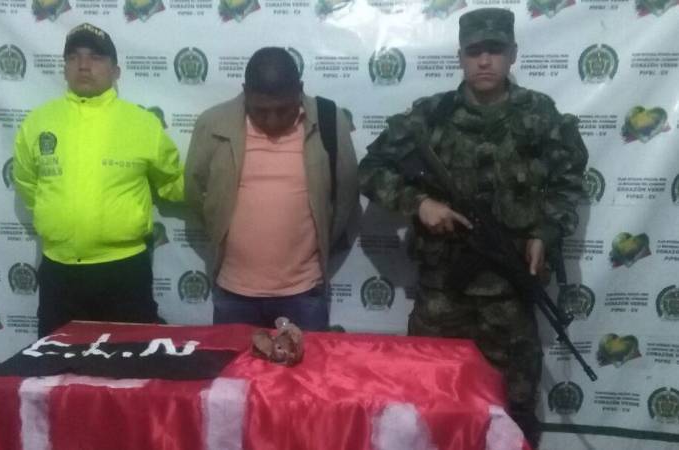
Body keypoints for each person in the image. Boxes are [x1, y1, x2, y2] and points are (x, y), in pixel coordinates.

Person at [358, 8, 588, 448]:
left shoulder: (539, 115)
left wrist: (545, 232)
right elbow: (371, 169)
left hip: (509, 293)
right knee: (426, 402)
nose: (485, 61)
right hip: (442, 293)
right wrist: (419, 203)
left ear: (513, 53)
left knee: (514, 410)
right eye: (474, 51)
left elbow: (569, 181)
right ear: (460, 56)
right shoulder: (431, 115)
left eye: (495, 50)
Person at [13, 23, 184, 337]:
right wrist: (59, 218)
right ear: (64, 68)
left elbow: (173, 181)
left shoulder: (143, 124)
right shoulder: (38, 123)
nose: (83, 65)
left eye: (95, 57)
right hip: (59, 270)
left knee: (128, 360)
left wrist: (217, 189)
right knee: (57, 364)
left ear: (116, 71)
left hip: (124, 271)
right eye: (73, 57)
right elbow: (27, 182)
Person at [185, 47, 358, 331]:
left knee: (305, 362)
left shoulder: (329, 120)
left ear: (299, 90)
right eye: (261, 111)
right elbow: (195, 192)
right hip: (233, 291)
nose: (272, 121)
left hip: (303, 292)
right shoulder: (213, 124)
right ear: (245, 92)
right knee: (234, 362)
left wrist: (320, 241)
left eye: (283, 110)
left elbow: (346, 194)